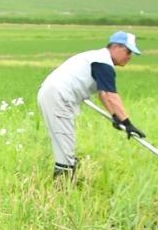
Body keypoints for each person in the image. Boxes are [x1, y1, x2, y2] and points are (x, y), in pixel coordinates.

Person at [36, 30, 144, 180]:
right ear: (115, 47)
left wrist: (115, 116)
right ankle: (61, 192)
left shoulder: (99, 59)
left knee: (66, 143)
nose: (129, 57)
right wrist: (127, 122)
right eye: (128, 52)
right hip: (58, 96)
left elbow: (103, 95)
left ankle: (67, 183)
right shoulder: (103, 63)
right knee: (65, 148)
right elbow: (111, 96)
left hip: (56, 95)